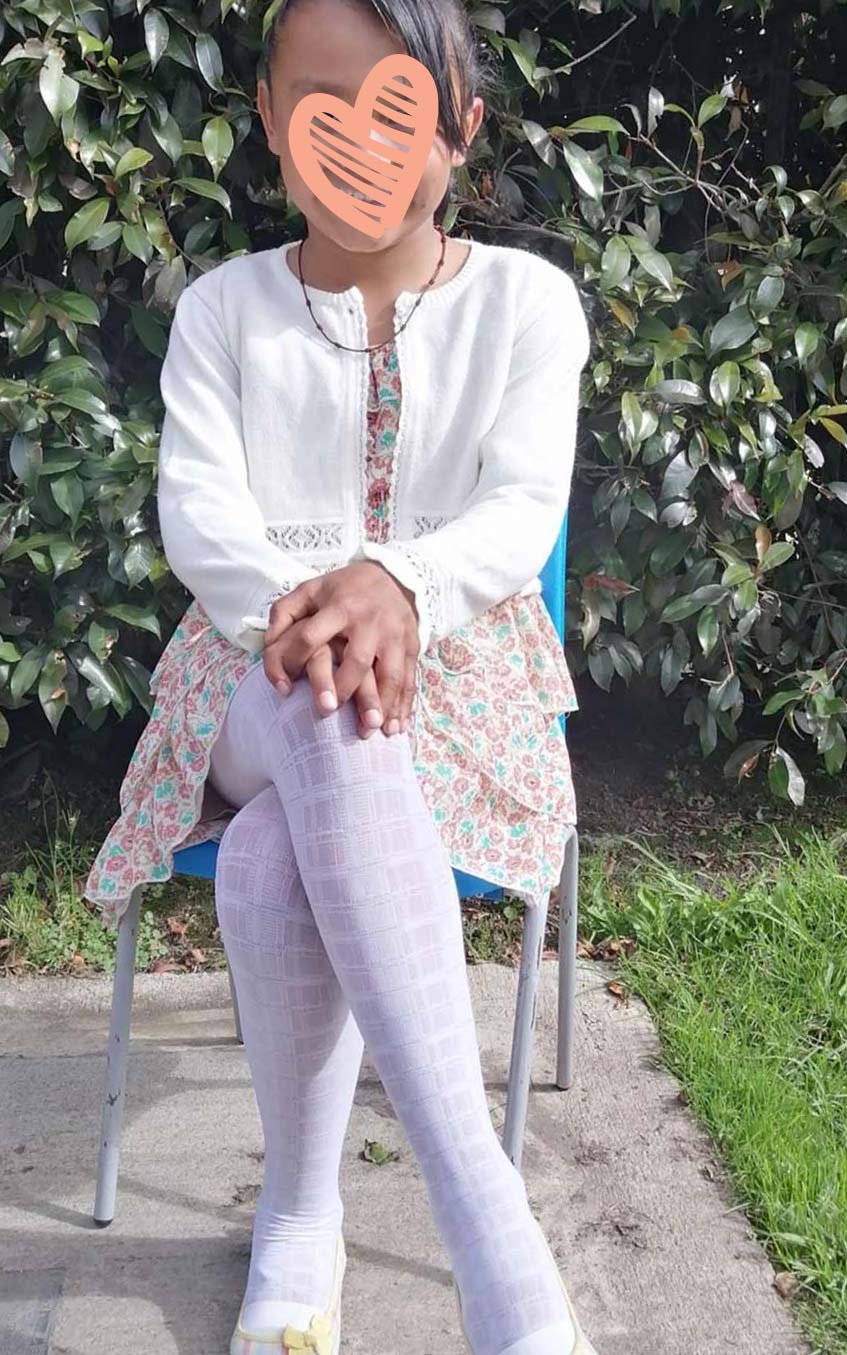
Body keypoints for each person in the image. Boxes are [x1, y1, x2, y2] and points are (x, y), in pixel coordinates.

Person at [85, 0, 593, 1351]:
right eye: (321, 108)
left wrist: (402, 588)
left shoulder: (526, 304)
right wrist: (302, 612)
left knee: (266, 861)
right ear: (265, 120)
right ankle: (495, 1232)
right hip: (249, 677)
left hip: (462, 678)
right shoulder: (223, 310)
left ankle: (301, 1225)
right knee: (321, 699)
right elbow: (199, 513)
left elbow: (520, 505)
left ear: (462, 127)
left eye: (396, 111)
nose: (359, 149)